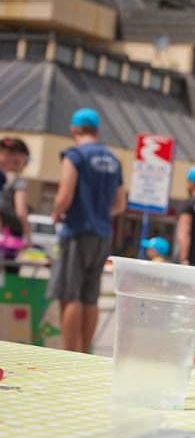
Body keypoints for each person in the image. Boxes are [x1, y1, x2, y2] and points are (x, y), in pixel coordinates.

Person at [49, 108, 125, 353]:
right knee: (90, 296)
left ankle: (71, 352)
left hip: (77, 231)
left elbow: (64, 196)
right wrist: (100, 215)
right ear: (97, 130)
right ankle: (85, 353)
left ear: (74, 129)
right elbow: (120, 204)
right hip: (102, 235)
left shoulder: (74, 155)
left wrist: (57, 212)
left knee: (69, 295)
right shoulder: (114, 160)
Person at [0, 138, 31, 272]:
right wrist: (27, 235)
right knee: (9, 278)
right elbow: (21, 212)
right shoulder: (18, 181)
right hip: (10, 237)